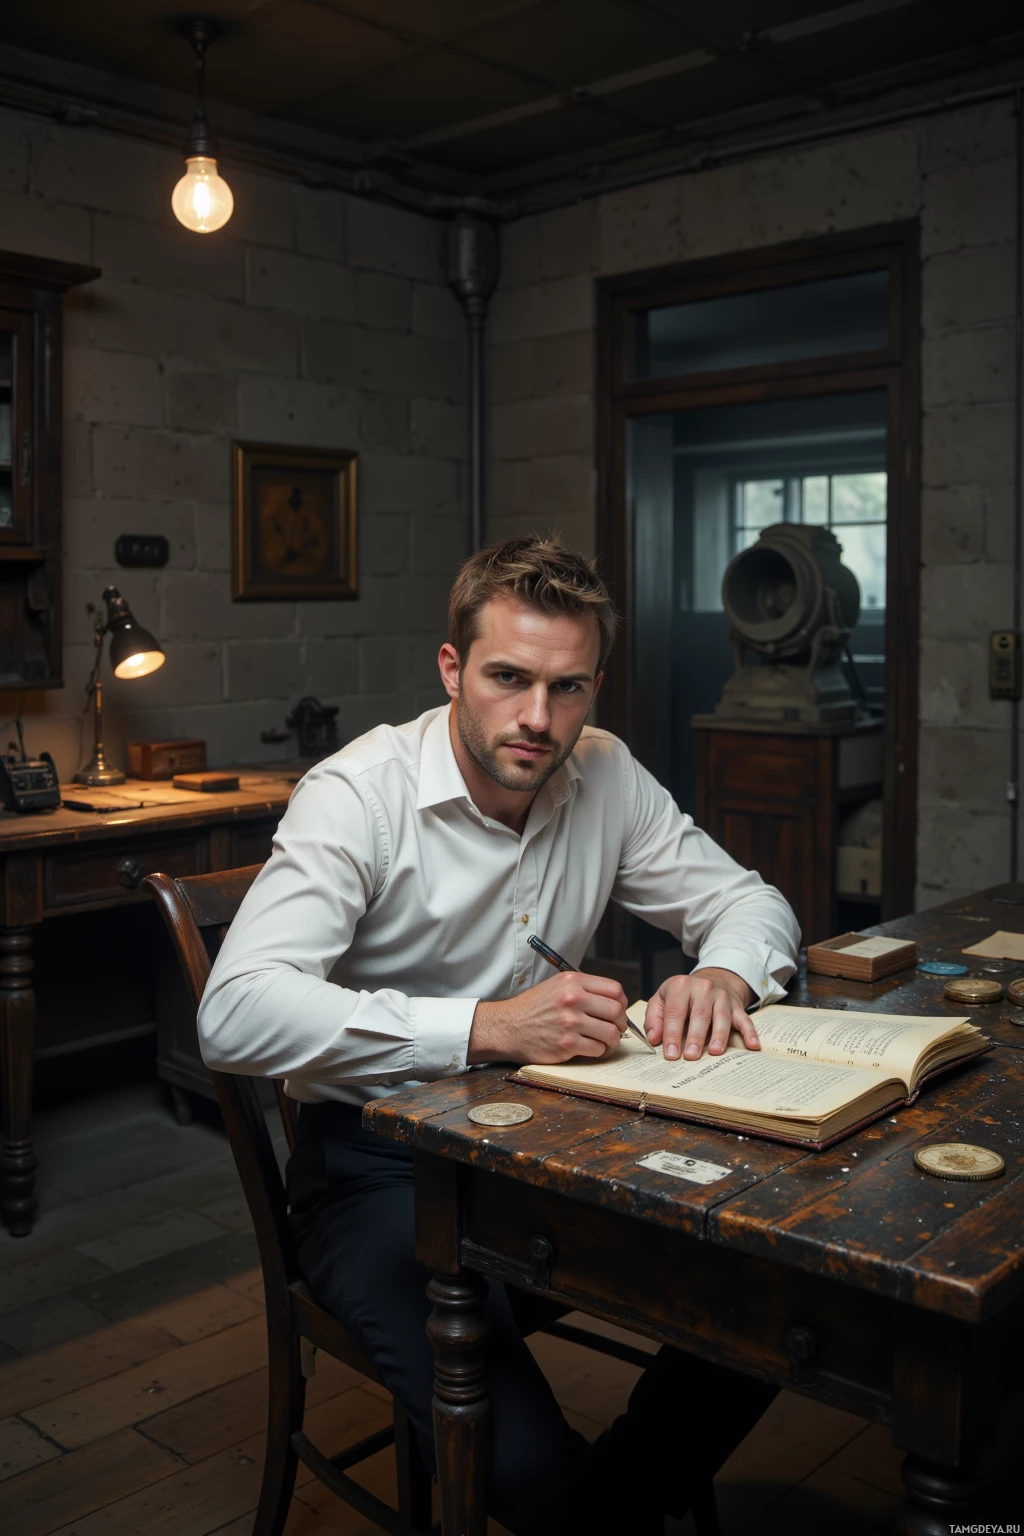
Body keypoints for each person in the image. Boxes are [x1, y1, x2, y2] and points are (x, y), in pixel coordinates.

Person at [198, 536, 800, 1535]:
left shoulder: (602, 771)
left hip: (546, 1146)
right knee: (520, 1469)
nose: (537, 718)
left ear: (594, 686)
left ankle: (603, 1514)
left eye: (567, 688)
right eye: (508, 678)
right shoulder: (360, 793)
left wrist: (726, 969)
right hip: (374, 1170)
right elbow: (235, 1010)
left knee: (775, 1304)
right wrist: (483, 1026)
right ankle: (602, 1511)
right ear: (452, 670)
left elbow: (749, 901)